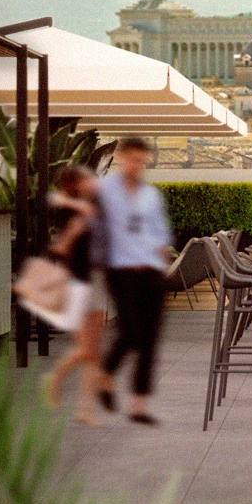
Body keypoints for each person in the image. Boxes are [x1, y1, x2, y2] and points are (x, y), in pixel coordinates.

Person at [97, 136, 174, 425]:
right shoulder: (104, 191)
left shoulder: (151, 195)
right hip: (120, 271)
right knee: (130, 332)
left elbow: (161, 234)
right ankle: (106, 375)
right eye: (132, 159)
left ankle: (138, 405)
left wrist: (163, 266)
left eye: (141, 161)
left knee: (151, 340)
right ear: (120, 158)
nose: (136, 165)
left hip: (151, 272)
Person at [41, 164, 106, 425]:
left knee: (93, 350)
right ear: (75, 184)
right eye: (87, 178)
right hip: (77, 282)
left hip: (97, 279)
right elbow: (60, 249)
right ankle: (55, 378)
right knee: (88, 349)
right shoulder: (67, 209)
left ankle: (85, 410)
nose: (93, 180)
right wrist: (74, 230)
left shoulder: (94, 205)